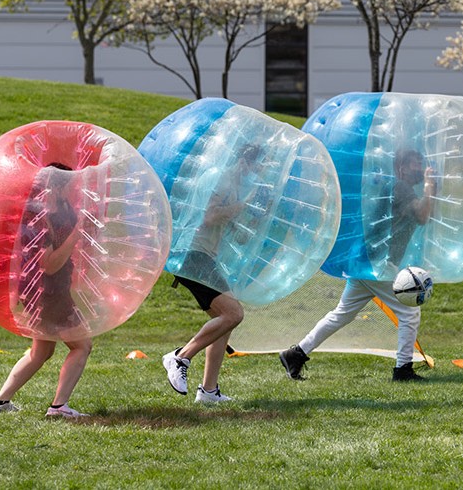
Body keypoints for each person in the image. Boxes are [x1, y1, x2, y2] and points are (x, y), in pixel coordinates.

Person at [279, 148, 436, 382]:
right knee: (409, 311)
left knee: (342, 314)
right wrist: (430, 186)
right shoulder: (400, 187)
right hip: (376, 263)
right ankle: (403, 369)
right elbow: (422, 215)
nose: (422, 169)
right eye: (416, 164)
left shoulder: (399, 189)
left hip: (364, 260)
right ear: (401, 168)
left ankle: (296, 353)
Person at [0, 163, 93, 418]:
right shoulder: (38, 217)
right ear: (55, 186)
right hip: (46, 292)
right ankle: (58, 407)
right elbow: (50, 264)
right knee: (82, 346)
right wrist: (77, 234)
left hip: (55, 290)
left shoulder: (64, 209)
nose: (73, 189)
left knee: (41, 352)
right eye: (68, 184)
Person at [161, 144, 261, 404]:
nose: (259, 173)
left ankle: (208, 391)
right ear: (244, 163)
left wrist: (251, 218)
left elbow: (233, 229)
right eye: (258, 166)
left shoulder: (236, 185)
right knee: (233, 314)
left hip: (204, 256)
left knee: (224, 322)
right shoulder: (222, 179)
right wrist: (244, 205)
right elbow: (209, 217)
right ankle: (180, 356)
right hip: (193, 254)